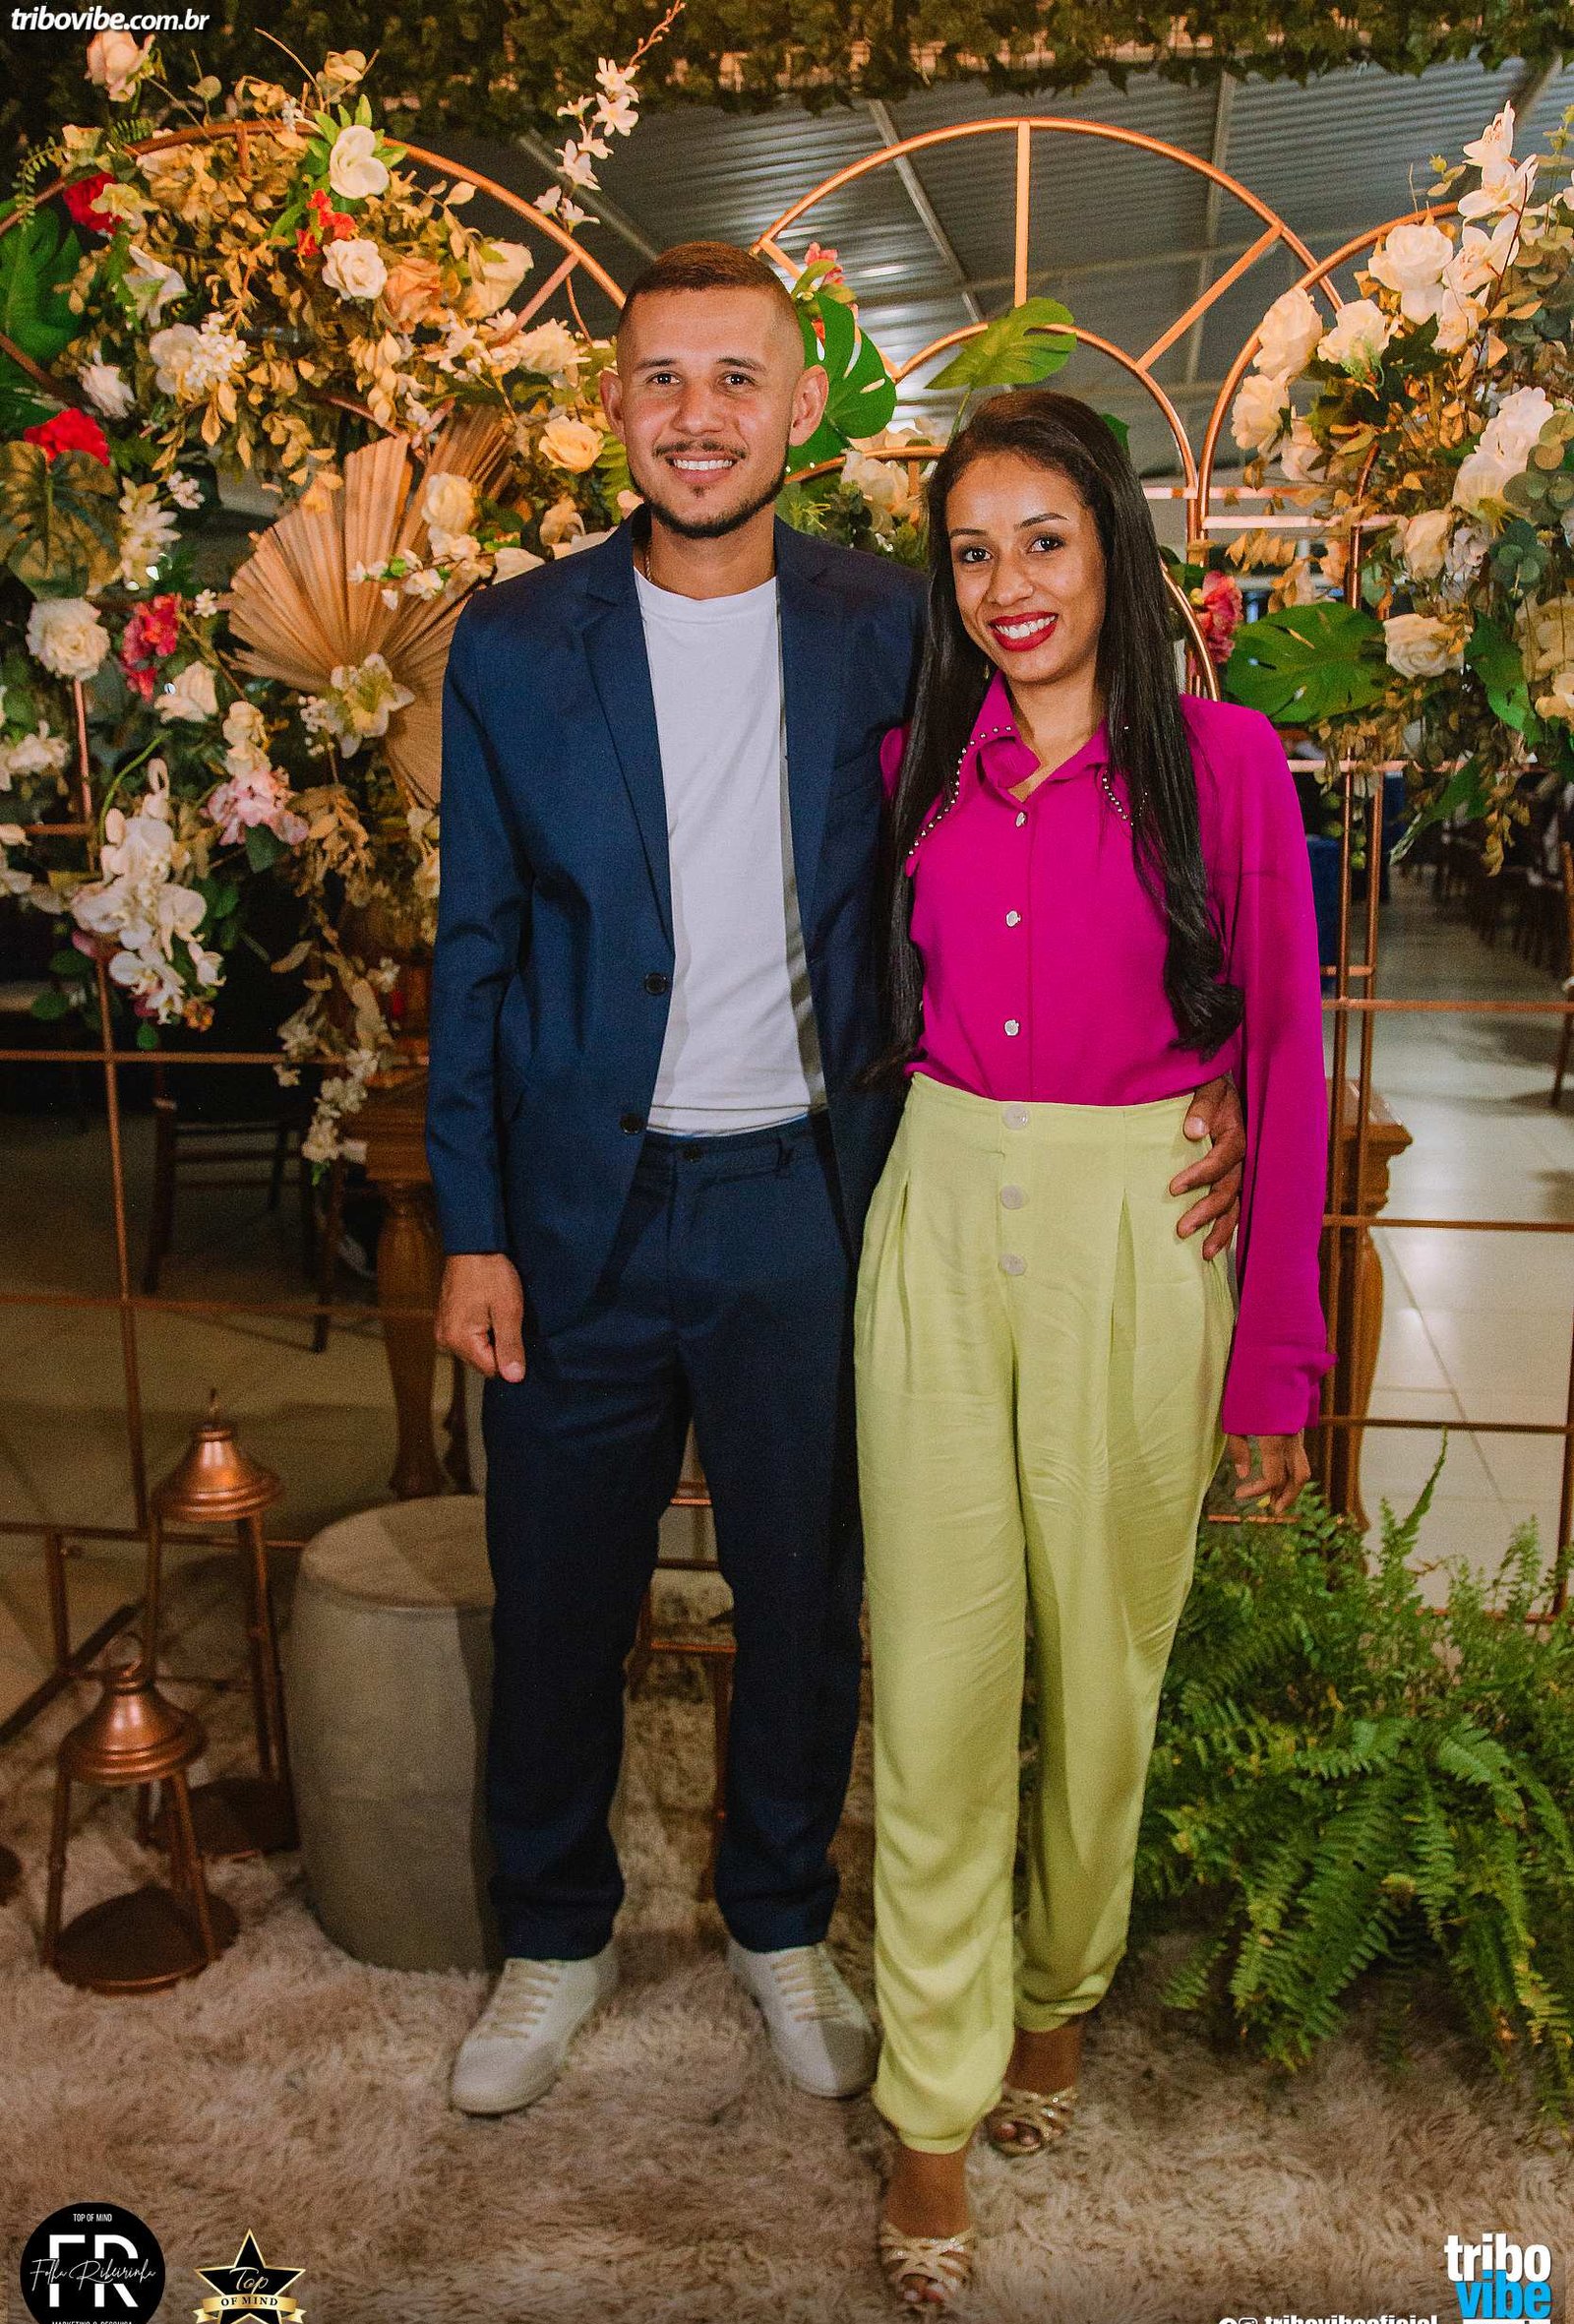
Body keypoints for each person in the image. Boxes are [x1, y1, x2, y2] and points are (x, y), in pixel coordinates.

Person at [426, 242, 1248, 2123]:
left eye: (738, 378)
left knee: (808, 1594)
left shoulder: (896, 624)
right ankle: (552, 1934)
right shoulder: (517, 643)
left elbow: (1059, 825)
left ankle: (781, 1919)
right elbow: (472, 947)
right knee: (556, 1591)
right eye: (661, 377)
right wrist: (472, 1224)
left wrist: (1199, 1073)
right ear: (614, 405)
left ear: (804, 409)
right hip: (575, 1212)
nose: (697, 415)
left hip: (817, 1198)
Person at [855, 390, 1332, 2309]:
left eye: (1042, 540)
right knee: (937, 1680)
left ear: (1113, 552)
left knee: (1105, 1672)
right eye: (972, 552)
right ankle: (927, 2107)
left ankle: (1057, 1989)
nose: (1007, 586)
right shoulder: (913, 765)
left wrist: (1274, 1367)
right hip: (938, 1213)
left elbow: (1282, 1056)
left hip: (1146, 1232)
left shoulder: (1224, 762)